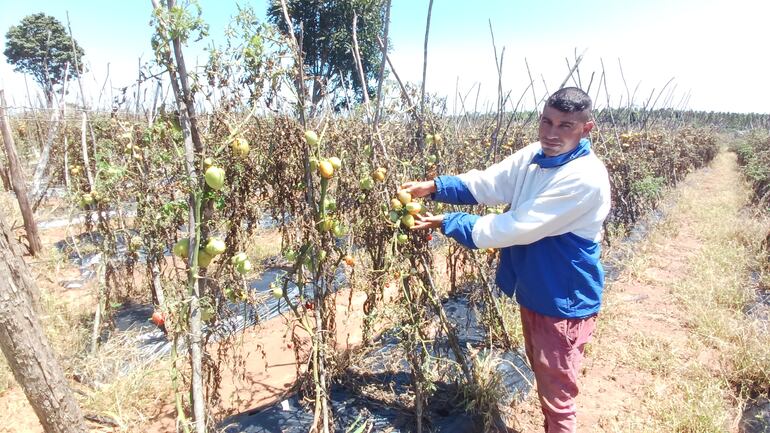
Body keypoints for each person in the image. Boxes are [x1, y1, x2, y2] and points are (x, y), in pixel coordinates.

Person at [402, 87, 611, 433]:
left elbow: (512, 228)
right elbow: (488, 183)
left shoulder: (584, 178)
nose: (551, 133)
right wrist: (435, 187)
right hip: (537, 289)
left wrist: (447, 221)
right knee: (544, 374)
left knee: (557, 393)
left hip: (563, 298)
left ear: (585, 129)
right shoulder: (535, 156)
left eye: (564, 126)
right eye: (546, 121)